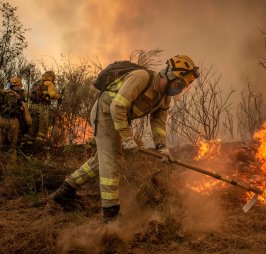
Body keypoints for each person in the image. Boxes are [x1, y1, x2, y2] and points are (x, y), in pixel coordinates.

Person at [50, 55, 200, 221]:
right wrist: (128, 138)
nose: (178, 89)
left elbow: (158, 123)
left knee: (101, 160)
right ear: (168, 74)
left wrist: (162, 147)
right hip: (106, 113)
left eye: (182, 87)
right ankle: (110, 214)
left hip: (116, 117)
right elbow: (118, 106)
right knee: (113, 161)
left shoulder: (164, 98)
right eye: (178, 84)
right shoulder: (141, 78)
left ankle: (66, 190)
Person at [0, 77, 32, 164]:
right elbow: (28, 120)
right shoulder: (21, 96)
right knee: (12, 148)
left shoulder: (3, 93)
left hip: (1, 120)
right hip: (14, 122)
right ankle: (12, 170)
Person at [24, 70, 60, 146]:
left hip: (33, 108)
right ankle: (38, 147)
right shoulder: (49, 83)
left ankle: (28, 145)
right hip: (43, 108)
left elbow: (30, 95)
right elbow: (52, 94)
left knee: (33, 128)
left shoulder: (36, 83)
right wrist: (59, 97)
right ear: (52, 76)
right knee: (42, 129)